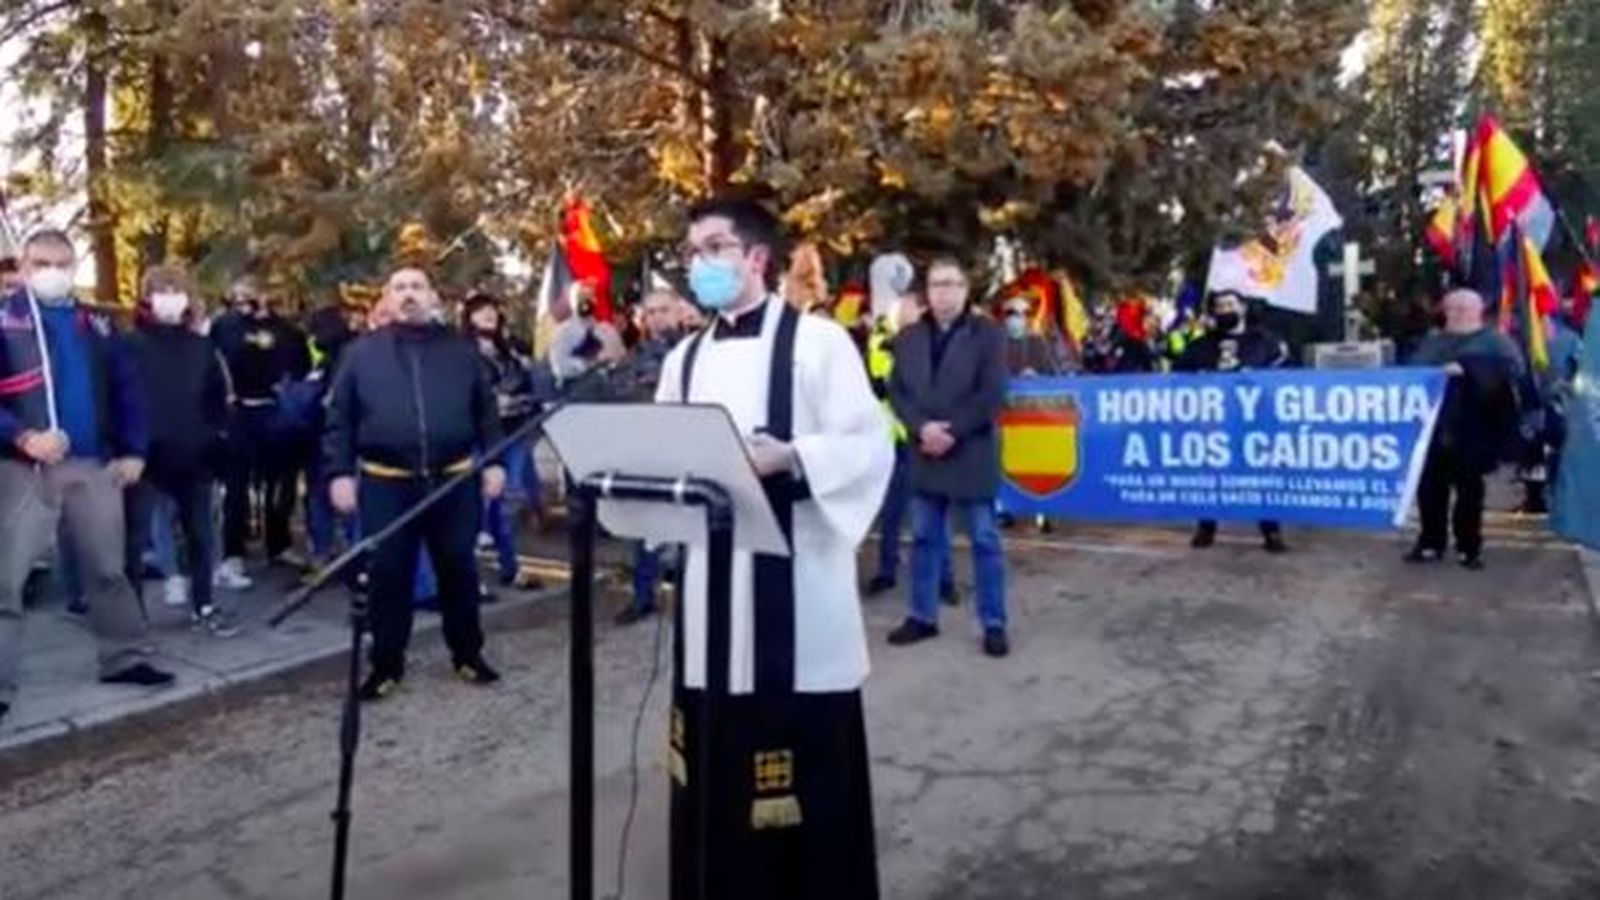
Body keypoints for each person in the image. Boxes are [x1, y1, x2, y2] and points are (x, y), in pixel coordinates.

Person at [654, 197, 892, 899]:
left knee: (805, 758)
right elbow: (665, 447)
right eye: (693, 252)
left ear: (756, 257)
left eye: (715, 248)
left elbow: (867, 443)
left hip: (798, 585)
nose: (699, 263)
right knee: (716, 743)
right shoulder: (684, 358)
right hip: (711, 589)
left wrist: (793, 455)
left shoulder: (820, 343)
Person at [0, 229, 176, 726]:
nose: (52, 272)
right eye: (41, 263)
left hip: (92, 464)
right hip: (24, 468)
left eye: (61, 262)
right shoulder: (7, 321)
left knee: (107, 568)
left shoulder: (97, 325)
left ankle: (124, 658)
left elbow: (128, 391)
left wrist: (135, 450)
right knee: (6, 579)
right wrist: (22, 435)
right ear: (24, 266)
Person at [324, 266, 506, 701]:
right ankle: (386, 665)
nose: (409, 294)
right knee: (388, 575)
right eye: (400, 288)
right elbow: (340, 419)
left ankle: (467, 654)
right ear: (387, 298)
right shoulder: (361, 354)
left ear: (432, 297)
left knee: (458, 569)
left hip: (453, 481)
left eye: (417, 287)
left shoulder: (460, 351)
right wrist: (339, 473)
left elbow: (486, 412)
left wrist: (494, 462)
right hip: (387, 484)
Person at [885, 256, 1012, 658]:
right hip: (925, 453)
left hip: (971, 452)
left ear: (965, 290)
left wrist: (952, 431)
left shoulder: (987, 334)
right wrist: (921, 428)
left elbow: (992, 394)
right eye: (937, 284)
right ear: (927, 291)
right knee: (924, 538)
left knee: (984, 541)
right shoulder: (909, 338)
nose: (944, 292)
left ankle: (993, 623)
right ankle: (922, 616)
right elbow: (897, 391)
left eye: (952, 284)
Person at [123, 265, 237, 635]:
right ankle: (133, 616)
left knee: (201, 535)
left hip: (194, 455)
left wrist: (213, 437)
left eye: (177, 290)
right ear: (147, 297)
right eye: (162, 290)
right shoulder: (129, 345)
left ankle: (204, 604)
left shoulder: (202, 347)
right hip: (143, 457)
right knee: (134, 540)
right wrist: (124, 448)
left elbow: (218, 398)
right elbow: (116, 398)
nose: (170, 298)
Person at [862, 254, 957, 602]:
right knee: (892, 511)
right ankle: (887, 571)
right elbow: (879, 382)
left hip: (928, 439)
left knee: (935, 512)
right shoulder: (880, 336)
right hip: (895, 441)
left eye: (906, 303)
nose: (899, 308)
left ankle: (945, 579)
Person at [1406, 288, 1522, 570]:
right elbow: (1411, 372)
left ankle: (1468, 547)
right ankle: (1431, 541)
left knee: (1469, 491)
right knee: (1430, 489)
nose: (1455, 314)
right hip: (1432, 428)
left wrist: (1470, 369)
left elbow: (1513, 375)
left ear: (1478, 312)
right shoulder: (1431, 342)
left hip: (1472, 428)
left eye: (1462, 309)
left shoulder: (1496, 342)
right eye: (1451, 309)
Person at [1176, 291, 1290, 553]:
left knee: (1260, 476)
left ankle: (1271, 530)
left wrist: (1259, 378)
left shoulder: (1265, 341)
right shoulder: (1201, 345)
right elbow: (1179, 375)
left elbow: (1284, 374)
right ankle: (1206, 527)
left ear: (1243, 308)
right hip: (1214, 422)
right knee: (1211, 476)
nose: (1225, 310)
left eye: (1230, 304)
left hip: (1254, 422)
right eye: (1219, 306)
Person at [212, 276, 311, 578]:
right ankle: (233, 551)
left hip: (276, 412)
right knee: (237, 484)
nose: (249, 299)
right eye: (241, 294)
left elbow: (302, 368)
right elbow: (214, 361)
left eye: (254, 293)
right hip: (238, 412)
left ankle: (278, 544)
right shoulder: (226, 326)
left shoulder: (288, 332)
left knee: (279, 483)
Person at [615, 287, 690, 627]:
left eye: (664, 310)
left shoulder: (697, 350)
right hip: (647, 447)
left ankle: (692, 598)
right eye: (651, 312)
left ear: (678, 311)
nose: (658, 318)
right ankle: (643, 596)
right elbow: (623, 392)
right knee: (644, 526)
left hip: (687, 448)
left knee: (689, 527)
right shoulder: (635, 355)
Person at [462, 292, 542, 592]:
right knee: (479, 504)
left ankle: (510, 567)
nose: (489, 315)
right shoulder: (463, 352)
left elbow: (527, 383)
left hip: (513, 431)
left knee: (507, 501)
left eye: (492, 310)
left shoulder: (509, 350)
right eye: (481, 311)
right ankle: (471, 577)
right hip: (480, 436)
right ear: (469, 317)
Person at [549, 281, 625, 392]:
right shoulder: (562, 332)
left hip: (610, 391)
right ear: (572, 301)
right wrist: (590, 363)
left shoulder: (608, 330)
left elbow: (623, 357)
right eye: (580, 297)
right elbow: (559, 367)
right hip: (577, 392)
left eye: (589, 296)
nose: (585, 301)